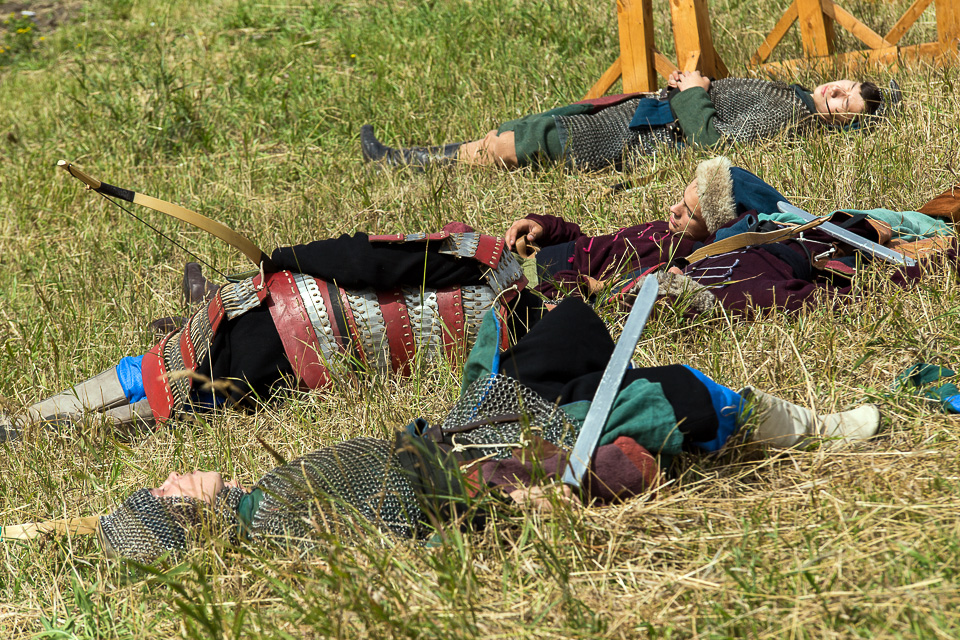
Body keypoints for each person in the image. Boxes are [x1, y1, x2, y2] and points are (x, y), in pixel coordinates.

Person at [96, 298, 881, 562]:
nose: (171, 476)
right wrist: (517, 510)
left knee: (566, 325)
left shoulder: (263, 499)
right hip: (499, 461)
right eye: (166, 492)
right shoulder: (278, 522)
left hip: (470, 426)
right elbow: (403, 548)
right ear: (186, 514)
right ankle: (811, 429)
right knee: (675, 396)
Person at [0, 227, 537, 440]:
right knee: (189, 399)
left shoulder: (481, 255)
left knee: (161, 370)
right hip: (306, 368)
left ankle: (32, 425)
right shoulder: (516, 330)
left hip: (281, 321)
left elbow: (365, 261)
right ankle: (45, 431)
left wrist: (284, 258)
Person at [360, 71, 889, 172]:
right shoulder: (788, 93)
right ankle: (415, 159)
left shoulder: (790, 113)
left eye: (845, 106)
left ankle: (405, 162)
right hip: (637, 113)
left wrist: (694, 92)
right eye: (844, 87)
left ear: (840, 123)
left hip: (638, 137)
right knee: (515, 134)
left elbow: (713, 142)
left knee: (520, 143)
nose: (836, 95)